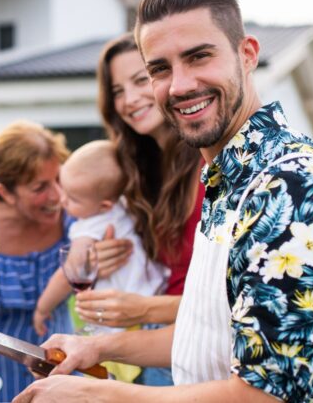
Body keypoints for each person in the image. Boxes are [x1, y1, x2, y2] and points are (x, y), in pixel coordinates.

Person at [14, 0, 313, 403]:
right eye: (160, 69)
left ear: (247, 55)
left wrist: (100, 395)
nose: (180, 85)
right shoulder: (227, 178)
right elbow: (205, 334)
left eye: (199, 57)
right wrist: (98, 346)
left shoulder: (291, 189)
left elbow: (264, 396)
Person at [0, 121, 131, 402]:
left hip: (54, 364)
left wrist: (102, 263)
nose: (56, 196)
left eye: (58, 179)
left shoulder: (75, 216)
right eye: (40, 187)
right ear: (4, 191)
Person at [73, 33, 205, 386]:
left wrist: (143, 307)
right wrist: (106, 254)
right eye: (117, 91)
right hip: (153, 343)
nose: (129, 100)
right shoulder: (137, 174)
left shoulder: (210, 167)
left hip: (199, 346)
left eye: (140, 80)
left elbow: (230, 303)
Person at [33, 140, 167, 339]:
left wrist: (42, 308)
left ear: (104, 205)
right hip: (154, 299)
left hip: (124, 317)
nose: (62, 200)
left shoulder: (90, 226)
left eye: (73, 199)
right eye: (64, 189)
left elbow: (70, 272)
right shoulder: (123, 206)